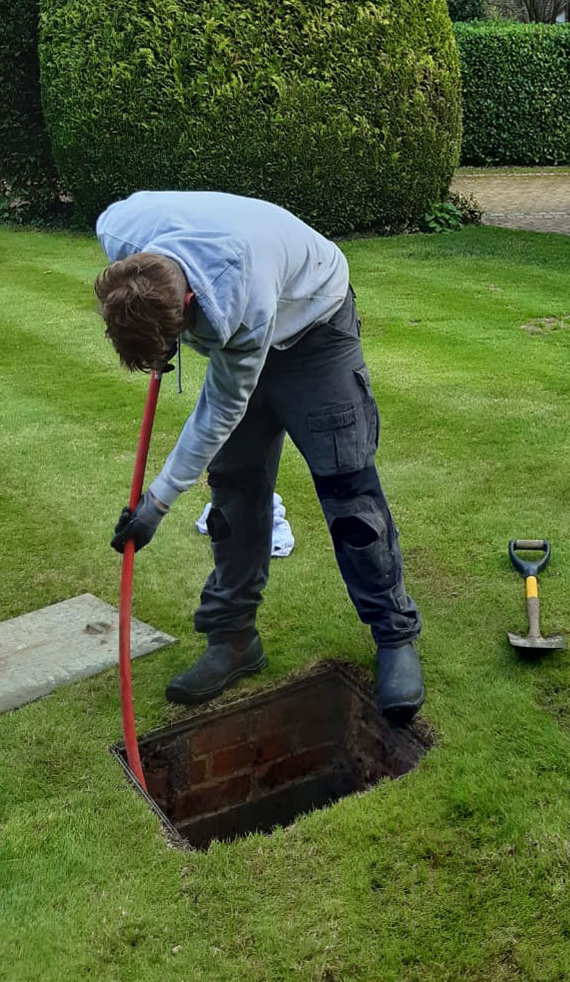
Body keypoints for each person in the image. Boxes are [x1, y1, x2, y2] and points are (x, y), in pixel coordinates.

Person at [95, 190, 424, 720]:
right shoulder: (120, 230)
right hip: (249, 288)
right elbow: (113, 219)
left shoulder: (241, 306)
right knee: (234, 488)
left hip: (315, 324)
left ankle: (394, 635)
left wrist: (157, 503)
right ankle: (233, 640)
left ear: (188, 303)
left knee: (347, 488)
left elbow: (221, 408)